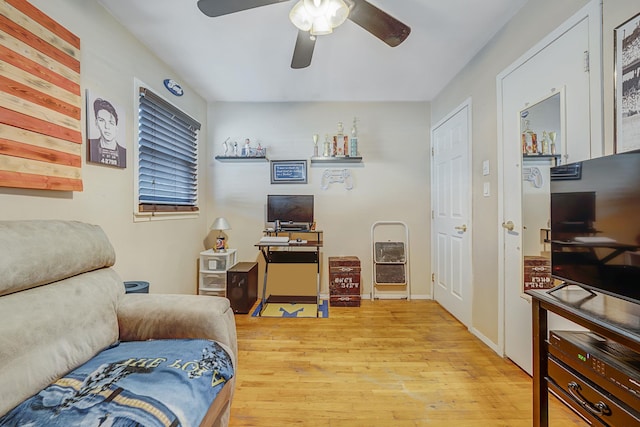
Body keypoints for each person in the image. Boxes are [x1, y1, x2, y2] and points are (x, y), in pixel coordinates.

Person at [88, 98, 126, 167]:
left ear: (116, 127)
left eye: (111, 122)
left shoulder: (124, 153)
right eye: (102, 120)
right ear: (96, 123)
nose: (106, 126)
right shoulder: (90, 145)